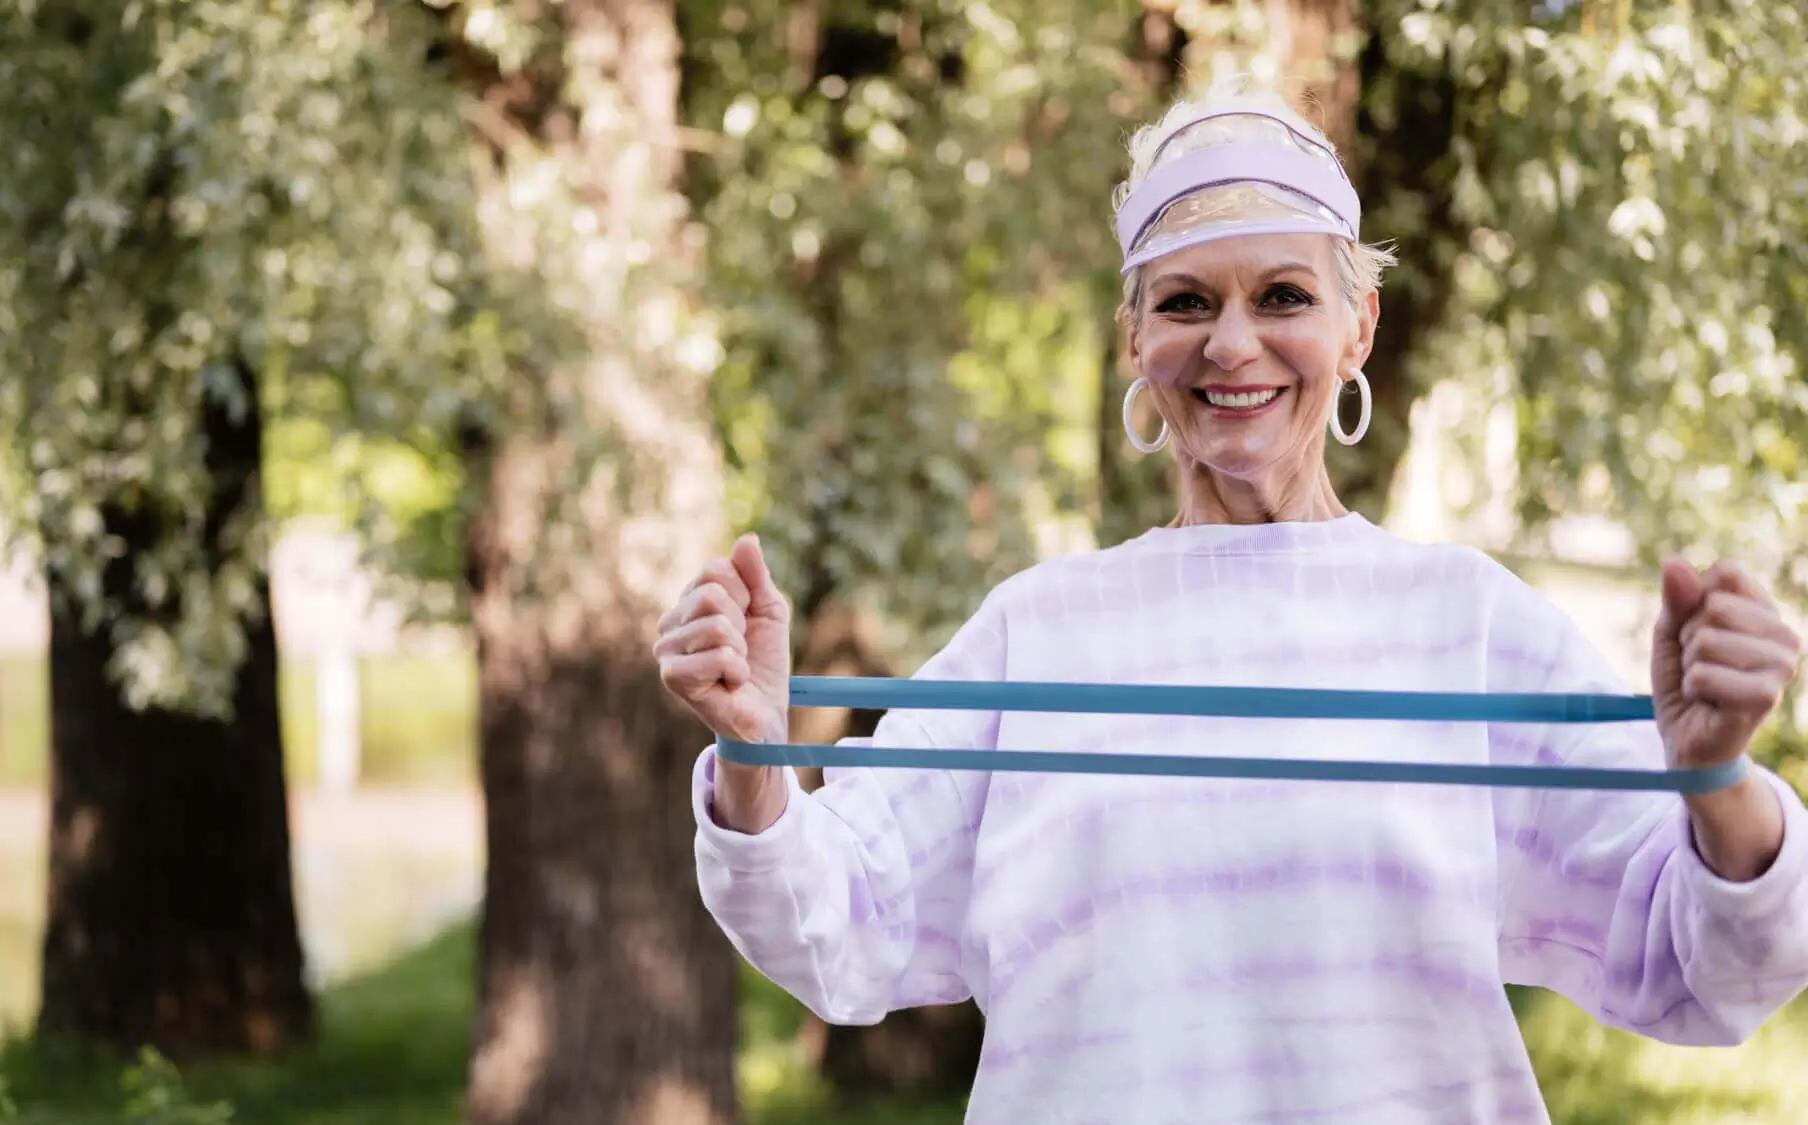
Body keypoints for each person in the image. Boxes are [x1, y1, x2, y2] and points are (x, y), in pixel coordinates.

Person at [653, 84, 1808, 1124]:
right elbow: (841, 927)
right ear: (1134, 341)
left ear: (1356, 328)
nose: (1232, 342)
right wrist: (753, 761)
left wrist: (1715, 780)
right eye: (1186, 301)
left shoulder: (1464, 622)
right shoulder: (1033, 629)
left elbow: (1707, 973)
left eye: (1284, 294)